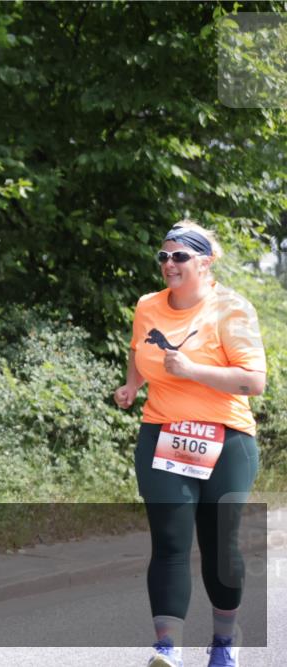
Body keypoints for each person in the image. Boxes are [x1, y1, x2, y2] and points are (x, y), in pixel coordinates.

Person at [114, 220, 266, 667]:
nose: (168, 264)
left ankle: (223, 641)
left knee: (220, 547)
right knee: (169, 541)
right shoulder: (148, 306)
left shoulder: (231, 309)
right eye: (163, 256)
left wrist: (193, 371)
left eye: (179, 256)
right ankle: (167, 647)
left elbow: (253, 381)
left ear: (205, 261)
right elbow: (139, 348)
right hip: (164, 433)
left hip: (227, 439)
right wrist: (132, 384)